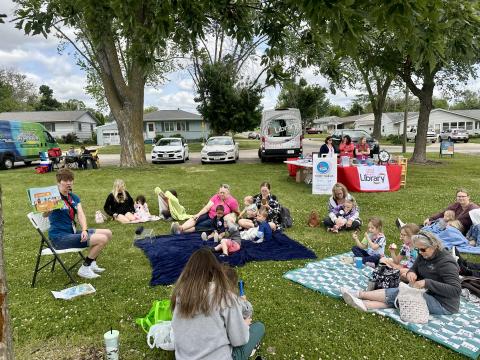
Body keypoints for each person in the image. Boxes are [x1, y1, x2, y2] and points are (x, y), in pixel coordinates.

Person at [171, 248, 265, 360]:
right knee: (259, 327)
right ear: (215, 270)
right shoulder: (223, 295)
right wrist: (244, 324)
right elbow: (239, 340)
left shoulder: (179, 294)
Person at [341, 231, 461, 315]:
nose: (420, 253)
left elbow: (455, 290)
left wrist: (427, 283)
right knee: (403, 296)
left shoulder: (446, 263)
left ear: (434, 246)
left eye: (423, 249)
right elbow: (414, 267)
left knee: (403, 293)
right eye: (418, 250)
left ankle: (360, 295)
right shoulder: (423, 254)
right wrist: (411, 273)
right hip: (428, 293)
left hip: (443, 304)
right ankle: (365, 304)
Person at [46, 168, 112, 279]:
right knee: (102, 239)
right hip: (59, 237)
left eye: (70, 180)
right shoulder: (54, 198)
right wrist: (50, 207)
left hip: (71, 232)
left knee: (108, 233)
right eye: (65, 180)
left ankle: (92, 263)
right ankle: (85, 268)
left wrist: (85, 230)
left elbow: (81, 215)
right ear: (58, 182)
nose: (68, 183)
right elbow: (44, 215)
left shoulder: (74, 197)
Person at [171, 184, 239, 234]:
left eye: (223, 193)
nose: (221, 194)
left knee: (199, 225)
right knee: (195, 218)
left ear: (228, 193)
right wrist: (198, 214)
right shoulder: (216, 197)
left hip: (216, 219)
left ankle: (179, 231)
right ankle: (180, 228)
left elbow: (237, 213)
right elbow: (207, 208)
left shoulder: (232, 201)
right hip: (208, 214)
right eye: (220, 192)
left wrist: (231, 218)